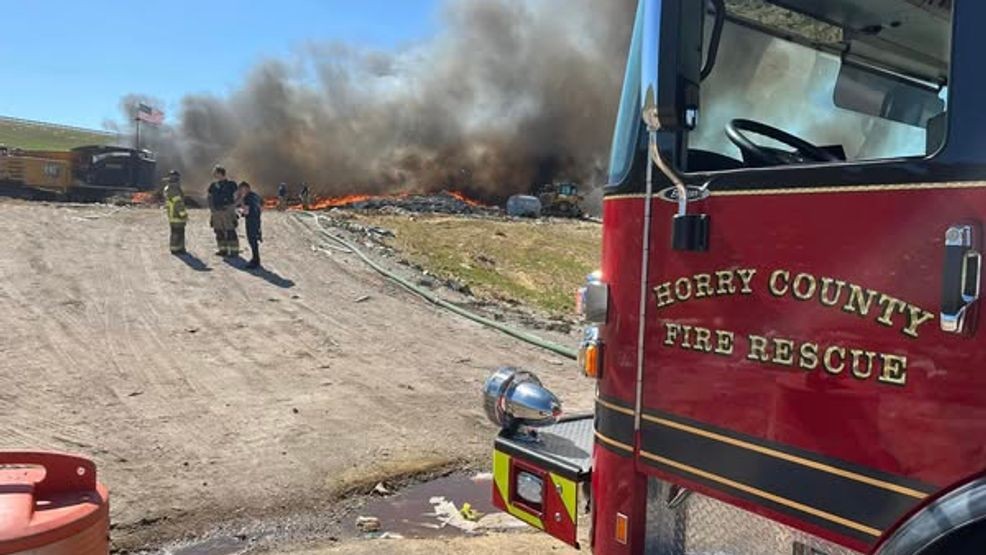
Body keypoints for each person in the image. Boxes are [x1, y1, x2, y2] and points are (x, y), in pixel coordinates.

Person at [206, 165, 240, 257]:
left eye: (215, 173)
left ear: (220, 173)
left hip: (227, 211)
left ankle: (234, 251)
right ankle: (222, 250)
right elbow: (209, 197)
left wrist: (233, 206)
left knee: (230, 230)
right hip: (216, 211)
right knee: (218, 231)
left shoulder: (231, 184)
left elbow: (238, 196)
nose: (214, 175)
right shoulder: (213, 186)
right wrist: (212, 209)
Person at [237, 182, 263, 268]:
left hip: (251, 220)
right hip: (257, 219)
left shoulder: (247, 198)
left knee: (252, 240)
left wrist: (241, 202)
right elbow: (262, 204)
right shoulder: (255, 195)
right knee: (254, 239)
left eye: (241, 189)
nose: (241, 191)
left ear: (246, 188)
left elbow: (246, 211)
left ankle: (255, 260)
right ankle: (256, 259)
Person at [163, 170, 188, 254]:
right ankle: (177, 249)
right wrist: (183, 214)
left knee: (176, 231)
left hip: (172, 213)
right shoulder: (174, 189)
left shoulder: (168, 187)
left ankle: (177, 247)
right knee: (178, 231)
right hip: (176, 213)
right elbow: (178, 203)